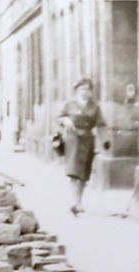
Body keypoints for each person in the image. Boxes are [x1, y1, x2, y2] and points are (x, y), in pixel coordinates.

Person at [58, 78, 105, 216]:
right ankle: (75, 202)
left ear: (91, 92)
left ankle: (79, 201)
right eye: (82, 89)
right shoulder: (69, 104)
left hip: (88, 141)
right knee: (73, 173)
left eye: (87, 89)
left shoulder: (95, 107)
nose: (84, 92)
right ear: (77, 90)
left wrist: (105, 141)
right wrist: (64, 120)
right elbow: (60, 117)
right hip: (72, 140)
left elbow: (101, 124)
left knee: (84, 174)